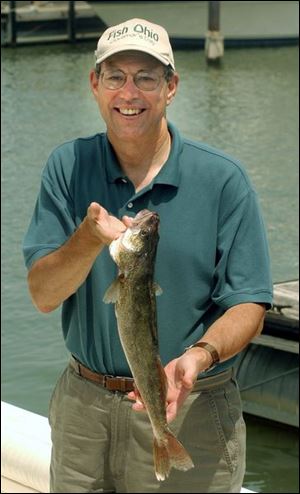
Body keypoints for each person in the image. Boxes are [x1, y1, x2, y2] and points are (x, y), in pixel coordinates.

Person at [23, 18, 273, 494]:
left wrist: (198, 357)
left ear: (171, 86)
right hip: (84, 409)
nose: (129, 93)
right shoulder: (66, 166)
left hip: (193, 407)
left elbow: (250, 304)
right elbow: (43, 295)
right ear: (95, 85)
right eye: (115, 76)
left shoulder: (223, 180)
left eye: (146, 77)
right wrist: (87, 239)